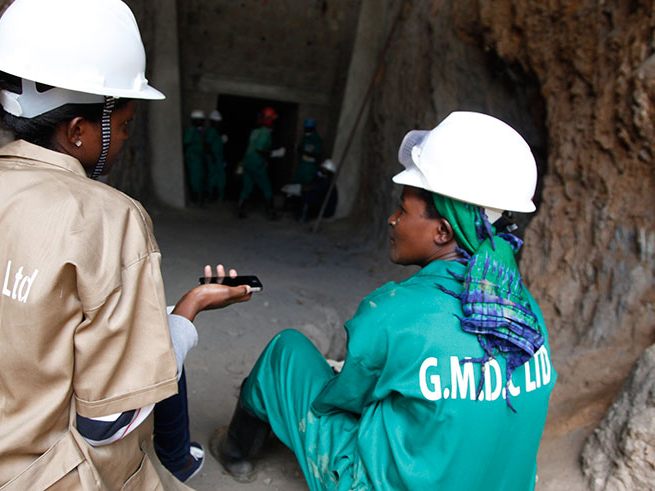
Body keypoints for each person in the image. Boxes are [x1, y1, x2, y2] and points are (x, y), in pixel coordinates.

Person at [0, 0, 253, 488]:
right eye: (123, 126)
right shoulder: (110, 218)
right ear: (80, 130)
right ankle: (182, 463)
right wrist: (182, 318)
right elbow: (109, 422)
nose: (123, 140)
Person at [211, 111, 556, 489]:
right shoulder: (527, 312)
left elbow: (340, 403)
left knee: (286, 352)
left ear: (443, 231)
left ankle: (236, 452)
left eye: (403, 209)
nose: (392, 220)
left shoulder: (394, 311)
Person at [237, 106, 282, 219]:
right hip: (256, 162)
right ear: (269, 120)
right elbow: (260, 148)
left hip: (247, 161)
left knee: (247, 186)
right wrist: (274, 153)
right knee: (267, 187)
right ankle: (271, 212)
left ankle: (239, 210)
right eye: (273, 120)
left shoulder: (254, 131)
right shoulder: (265, 133)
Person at [183, 109, 206, 205]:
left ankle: (198, 199)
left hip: (197, 158)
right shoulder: (191, 131)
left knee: (198, 178)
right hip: (193, 158)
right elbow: (186, 143)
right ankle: (195, 199)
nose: (202, 123)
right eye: (200, 120)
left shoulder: (196, 131)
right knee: (195, 179)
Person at [293, 117, 323, 185]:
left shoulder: (316, 140)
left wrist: (304, 151)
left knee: (307, 186)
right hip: (301, 166)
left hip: (310, 168)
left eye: (308, 129)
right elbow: (300, 148)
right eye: (305, 128)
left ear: (313, 128)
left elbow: (317, 154)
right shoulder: (305, 138)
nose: (306, 130)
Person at [204, 110, 227, 201]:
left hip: (219, 159)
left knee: (220, 178)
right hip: (213, 159)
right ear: (213, 122)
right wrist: (213, 156)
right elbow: (207, 145)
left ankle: (219, 196)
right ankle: (209, 195)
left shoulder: (217, 132)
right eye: (217, 122)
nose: (218, 124)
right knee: (212, 177)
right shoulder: (211, 131)